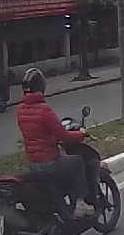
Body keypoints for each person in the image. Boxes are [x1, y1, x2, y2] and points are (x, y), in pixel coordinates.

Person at [15, 68, 96, 219]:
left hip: (33, 164)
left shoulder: (20, 110)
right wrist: (81, 134)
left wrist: (51, 139)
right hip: (49, 163)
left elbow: (35, 134)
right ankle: (80, 204)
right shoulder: (44, 110)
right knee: (77, 162)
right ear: (41, 86)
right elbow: (64, 136)